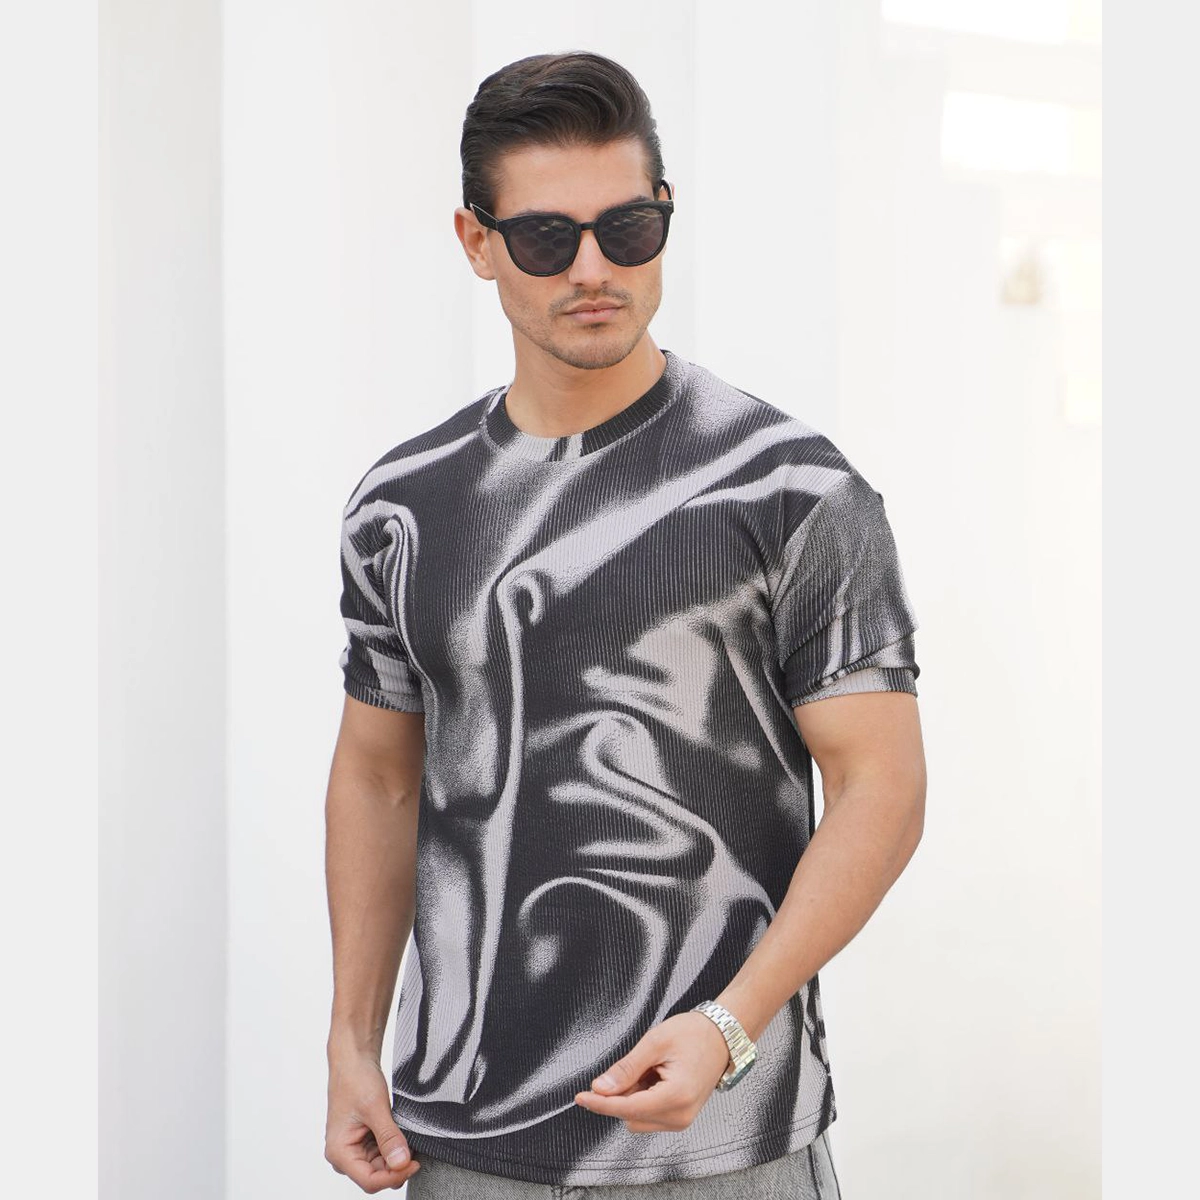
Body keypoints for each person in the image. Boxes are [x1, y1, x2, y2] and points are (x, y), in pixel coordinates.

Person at [323, 51, 926, 1198]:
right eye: (547, 238)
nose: (594, 269)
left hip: (727, 1134)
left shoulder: (794, 491)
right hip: (464, 1141)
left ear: (666, 215)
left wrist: (732, 1024)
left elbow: (882, 786)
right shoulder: (403, 508)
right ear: (476, 241)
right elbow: (379, 777)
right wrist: (352, 1042)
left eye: (628, 229)